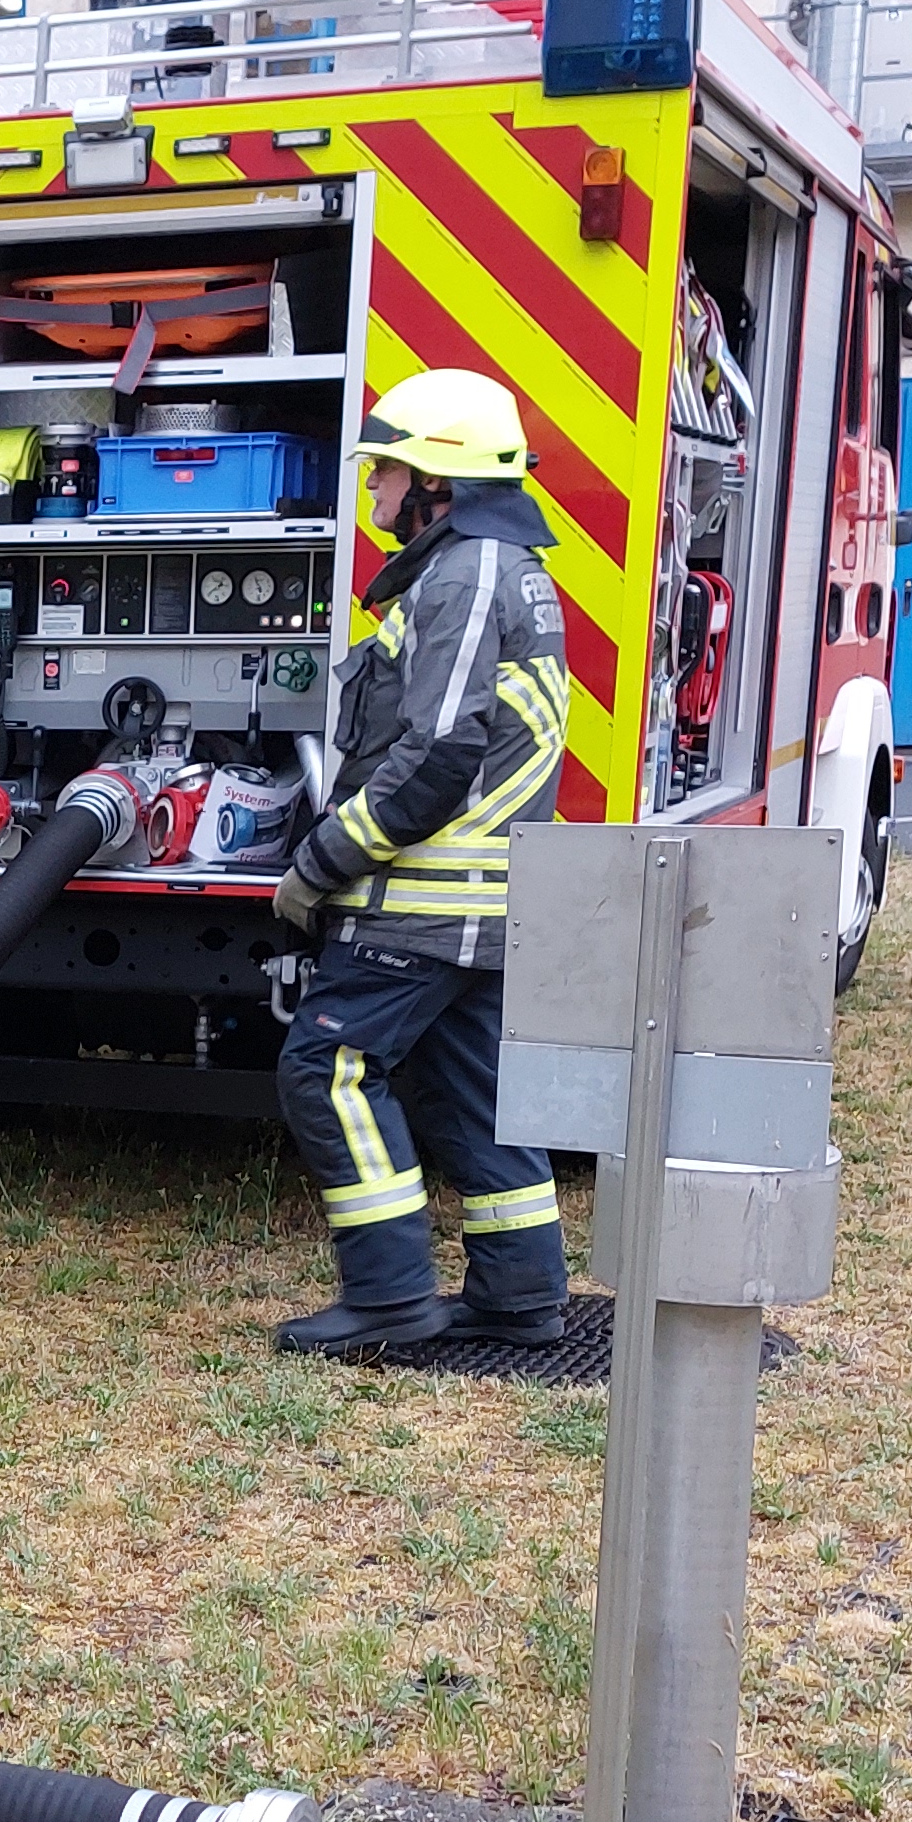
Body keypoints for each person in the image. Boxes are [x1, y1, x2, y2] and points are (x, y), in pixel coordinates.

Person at [268, 365, 575, 1358]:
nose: (373, 489)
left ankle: (390, 1296)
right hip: (482, 903)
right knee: (468, 1086)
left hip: (427, 902)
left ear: (437, 483)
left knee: (327, 1068)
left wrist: (321, 862)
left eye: (385, 472)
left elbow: (438, 753)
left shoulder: (465, 575)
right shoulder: (500, 567)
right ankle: (521, 1296)